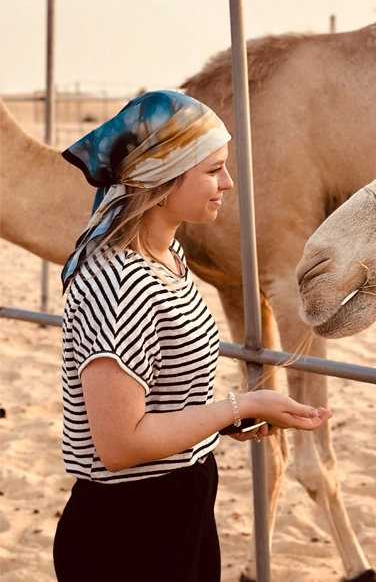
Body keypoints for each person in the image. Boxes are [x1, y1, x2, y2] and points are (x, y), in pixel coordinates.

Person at [53, 90, 331, 582]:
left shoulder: (169, 258)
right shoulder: (121, 281)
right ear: (162, 178)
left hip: (181, 507)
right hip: (130, 530)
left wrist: (219, 422)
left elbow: (153, 399)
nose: (227, 183)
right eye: (212, 170)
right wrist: (239, 408)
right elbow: (118, 445)